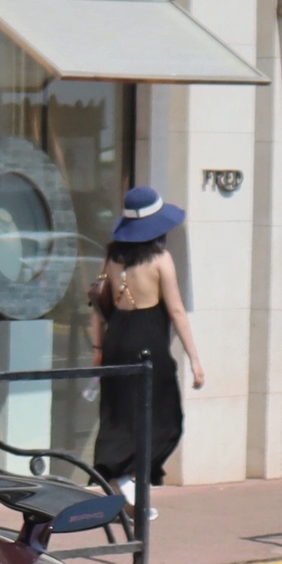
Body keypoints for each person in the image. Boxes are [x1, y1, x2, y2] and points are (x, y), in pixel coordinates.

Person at [91, 186, 205, 504]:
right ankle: (131, 480)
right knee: (165, 418)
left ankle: (119, 477)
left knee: (117, 414)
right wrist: (195, 359)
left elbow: (99, 309)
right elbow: (177, 310)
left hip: (116, 340)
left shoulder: (112, 257)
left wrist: (98, 350)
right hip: (148, 342)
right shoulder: (159, 259)